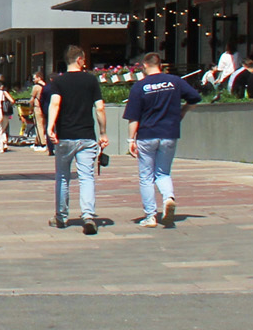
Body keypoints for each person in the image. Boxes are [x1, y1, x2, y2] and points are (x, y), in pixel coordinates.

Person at [122, 52, 200, 228]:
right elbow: (195, 97)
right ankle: (168, 198)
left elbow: (133, 117)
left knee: (146, 177)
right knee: (163, 172)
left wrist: (130, 140)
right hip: (169, 133)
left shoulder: (140, 86)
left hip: (147, 135)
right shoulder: (175, 82)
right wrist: (184, 110)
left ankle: (150, 216)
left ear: (144, 65)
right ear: (160, 64)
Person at [45, 47, 106, 234]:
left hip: (65, 136)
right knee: (86, 177)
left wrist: (50, 127)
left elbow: (55, 103)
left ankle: (61, 217)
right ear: (80, 59)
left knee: (63, 177)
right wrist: (103, 132)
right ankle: (88, 215)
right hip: (87, 136)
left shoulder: (59, 82)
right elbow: (100, 108)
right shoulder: (91, 80)